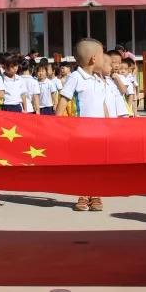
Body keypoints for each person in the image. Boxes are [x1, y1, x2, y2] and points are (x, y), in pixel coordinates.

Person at [57, 39, 107, 212]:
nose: (104, 59)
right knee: (84, 164)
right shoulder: (75, 77)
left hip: (100, 132)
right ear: (93, 59)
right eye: (102, 56)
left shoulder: (99, 81)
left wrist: (110, 126)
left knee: (98, 164)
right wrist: (56, 123)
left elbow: (103, 105)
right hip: (81, 132)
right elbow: (64, 99)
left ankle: (96, 193)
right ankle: (83, 194)